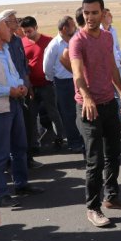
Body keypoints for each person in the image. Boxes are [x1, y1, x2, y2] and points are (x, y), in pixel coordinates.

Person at [69, 0, 121, 228]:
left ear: (102, 12)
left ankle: (112, 197)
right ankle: (93, 207)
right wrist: (86, 97)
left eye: (94, 12)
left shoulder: (107, 37)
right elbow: (77, 74)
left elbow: (111, 68)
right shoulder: (77, 40)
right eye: (86, 12)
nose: (89, 17)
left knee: (113, 154)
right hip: (88, 108)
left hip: (109, 103)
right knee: (94, 160)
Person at [0, 14, 44, 207]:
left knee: (20, 147)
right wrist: (8, 91)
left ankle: (21, 185)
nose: (10, 28)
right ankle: (1, 193)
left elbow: (13, 74)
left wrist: (20, 86)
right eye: (5, 25)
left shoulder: (5, 49)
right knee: (1, 153)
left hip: (13, 104)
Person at [0, 9, 41, 168]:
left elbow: (24, 66)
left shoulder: (17, 41)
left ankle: (27, 159)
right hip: (9, 93)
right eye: (13, 20)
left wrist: (29, 86)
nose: (17, 22)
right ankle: (15, 162)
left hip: (24, 90)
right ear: (4, 24)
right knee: (12, 130)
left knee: (28, 126)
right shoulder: (0, 44)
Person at [21, 16, 66, 151]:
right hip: (31, 86)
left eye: (29, 31)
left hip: (47, 85)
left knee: (53, 112)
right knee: (32, 115)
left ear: (36, 28)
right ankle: (34, 144)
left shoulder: (49, 41)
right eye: (24, 32)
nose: (27, 34)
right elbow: (23, 65)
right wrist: (28, 87)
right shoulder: (22, 43)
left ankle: (59, 138)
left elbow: (57, 61)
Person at [43, 16, 85, 153]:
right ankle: (74, 142)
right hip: (63, 83)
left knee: (82, 111)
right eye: (73, 25)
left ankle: (84, 139)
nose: (75, 27)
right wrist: (54, 80)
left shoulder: (76, 40)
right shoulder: (54, 45)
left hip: (78, 80)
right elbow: (47, 68)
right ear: (65, 28)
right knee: (68, 114)